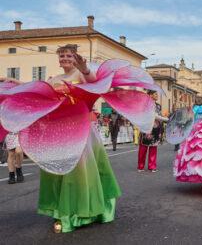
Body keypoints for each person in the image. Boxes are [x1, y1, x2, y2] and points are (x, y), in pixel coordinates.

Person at [0, 44, 158, 233]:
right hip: (60, 131)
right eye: (61, 56)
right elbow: (36, 89)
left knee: (81, 171)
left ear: (75, 58)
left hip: (82, 130)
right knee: (62, 170)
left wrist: (84, 69)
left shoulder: (80, 75)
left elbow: (94, 82)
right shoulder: (56, 79)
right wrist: (14, 82)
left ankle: (85, 211)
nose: (64, 58)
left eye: (68, 55)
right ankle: (64, 209)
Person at [138, 90, 169, 172]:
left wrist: (165, 120)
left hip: (156, 129)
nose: (157, 96)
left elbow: (159, 117)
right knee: (143, 147)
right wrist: (164, 119)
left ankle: (152, 166)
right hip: (147, 128)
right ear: (150, 95)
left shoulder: (158, 106)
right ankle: (140, 166)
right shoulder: (146, 104)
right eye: (155, 94)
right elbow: (154, 115)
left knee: (153, 147)